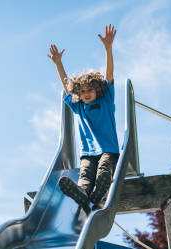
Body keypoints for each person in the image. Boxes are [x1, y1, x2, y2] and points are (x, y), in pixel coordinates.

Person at [47, 24, 119, 211]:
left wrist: (108, 48)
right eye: (83, 91)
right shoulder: (78, 106)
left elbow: (109, 74)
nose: (86, 94)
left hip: (108, 150)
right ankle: (84, 194)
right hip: (87, 152)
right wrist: (58, 64)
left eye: (90, 90)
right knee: (85, 175)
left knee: (104, 169)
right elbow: (67, 86)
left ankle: (100, 189)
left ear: (98, 89)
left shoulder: (106, 100)